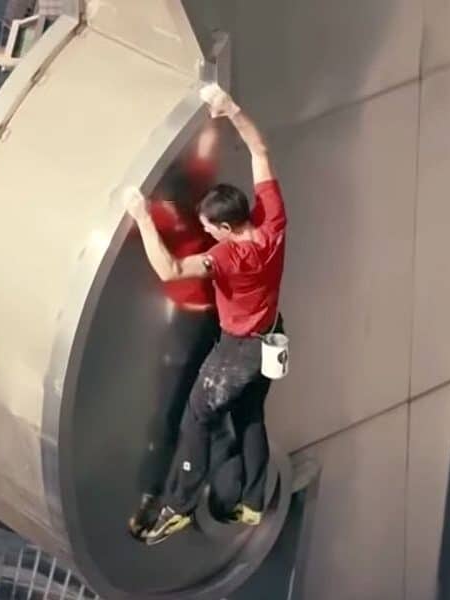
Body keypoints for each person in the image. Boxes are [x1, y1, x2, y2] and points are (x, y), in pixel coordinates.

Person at [124, 83, 288, 545]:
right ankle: (253, 502)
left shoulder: (226, 259)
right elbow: (259, 148)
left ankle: (178, 505)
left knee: (197, 418)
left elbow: (170, 269)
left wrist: (140, 215)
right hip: (273, 337)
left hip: (238, 351)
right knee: (252, 414)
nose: (205, 231)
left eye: (207, 227)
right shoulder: (272, 221)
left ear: (223, 226)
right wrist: (229, 108)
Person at [125, 125, 222, 541]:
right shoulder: (191, 192)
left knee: (174, 412)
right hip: (213, 318)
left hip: (193, 323)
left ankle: (158, 496)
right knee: (197, 411)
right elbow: (206, 145)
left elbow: (165, 266)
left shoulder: (162, 212)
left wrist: (142, 216)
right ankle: (185, 492)